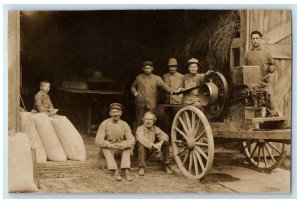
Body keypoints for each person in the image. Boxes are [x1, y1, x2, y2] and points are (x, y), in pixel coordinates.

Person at [95, 103, 136, 181]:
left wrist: (125, 145)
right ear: (110, 113)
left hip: (118, 148)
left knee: (127, 147)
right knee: (105, 148)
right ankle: (115, 171)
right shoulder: (104, 123)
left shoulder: (124, 124)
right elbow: (98, 140)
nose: (115, 114)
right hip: (107, 149)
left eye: (117, 112)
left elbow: (132, 139)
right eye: (113, 112)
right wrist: (109, 145)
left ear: (121, 113)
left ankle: (126, 171)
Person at [131, 60, 173, 133]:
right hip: (140, 103)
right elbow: (133, 87)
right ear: (143, 69)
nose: (147, 70)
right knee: (139, 120)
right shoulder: (139, 77)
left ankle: (150, 137)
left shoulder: (156, 78)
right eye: (145, 68)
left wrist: (171, 91)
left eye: (149, 68)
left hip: (151, 104)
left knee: (150, 121)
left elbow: (164, 86)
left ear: (152, 68)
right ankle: (135, 139)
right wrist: (136, 94)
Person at [244, 30, 277, 116]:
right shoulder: (247, 54)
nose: (255, 40)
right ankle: (255, 123)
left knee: (271, 102)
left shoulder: (267, 53)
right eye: (253, 38)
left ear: (261, 39)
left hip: (265, 82)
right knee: (255, 103)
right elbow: (245, 69)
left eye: (257, 38)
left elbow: (272, 65)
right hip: (253, 83)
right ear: (251, 40)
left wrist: (271, 69)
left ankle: (271, 119)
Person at [136, 111, 174, 176]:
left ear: (153, 121)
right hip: (141, 152)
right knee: (140, 144)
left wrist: (160, 143)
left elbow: (165, 136)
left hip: (151, 151)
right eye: (146, 119)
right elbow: (141, 139)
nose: (148, 121)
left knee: (165, 142)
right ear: (143, 120)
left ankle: (165, 164)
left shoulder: (155, 128)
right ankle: (141, 167)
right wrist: (154, 145)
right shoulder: (140, 128)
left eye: (150, 119)